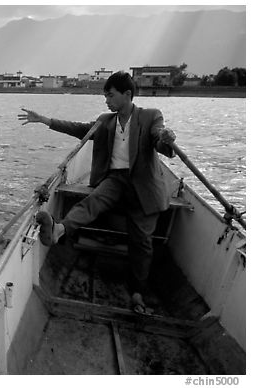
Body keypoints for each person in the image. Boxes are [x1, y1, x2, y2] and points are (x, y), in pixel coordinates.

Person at [18, 71, 176, 314]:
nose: (106, 100)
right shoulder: (106, 120)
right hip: (115, 179)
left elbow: (160, 142)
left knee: (141, 242)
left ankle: (137, 290)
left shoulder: (150, 116)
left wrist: (166, 139)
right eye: (105, 96)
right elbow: (80, 129)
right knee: (92, 201)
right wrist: (46, 120)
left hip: (143, 184)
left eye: (110, 95)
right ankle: (59, 229)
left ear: (127, 94)